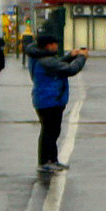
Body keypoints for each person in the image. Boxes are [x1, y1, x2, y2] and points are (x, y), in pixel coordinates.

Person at [26, 33, 88, 173]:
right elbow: (70, 69)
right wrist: (81, 58)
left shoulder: (38, 57)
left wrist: (70, 55)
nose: (57, 46)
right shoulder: (46, 61)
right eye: (54, 44)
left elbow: (58, 63)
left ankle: (51, 160)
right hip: (50, 99)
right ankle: (46, 161)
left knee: (51, 131)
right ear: (48, 46)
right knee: (50, 132)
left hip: (47, 99)